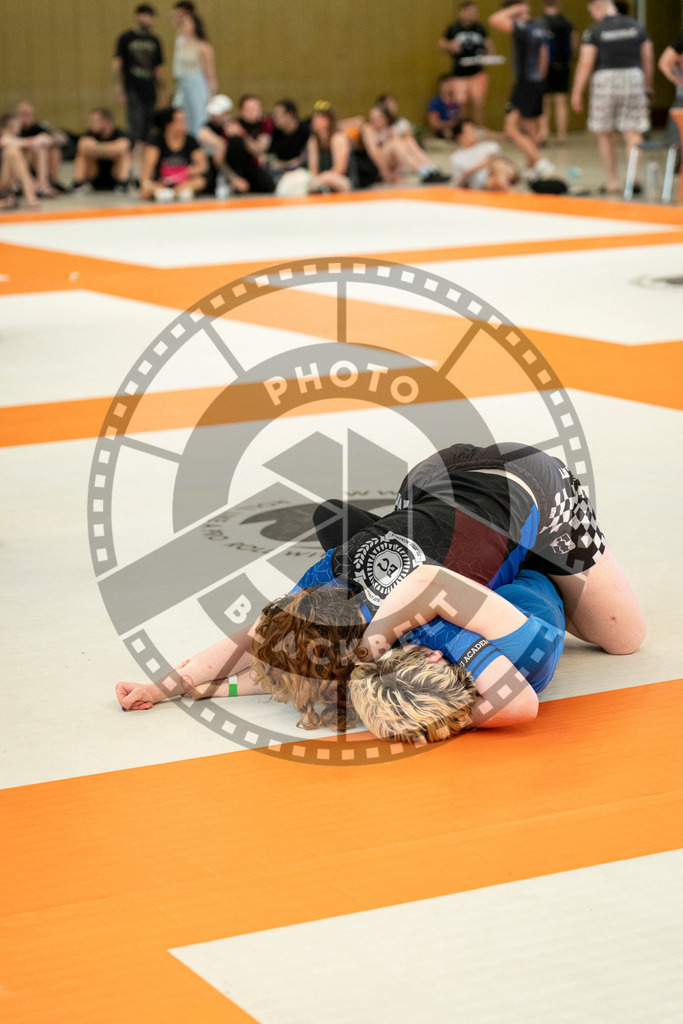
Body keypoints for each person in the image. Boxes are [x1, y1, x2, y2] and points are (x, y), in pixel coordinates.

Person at [116, 442, 645, 741]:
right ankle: (373, 527)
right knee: (447, 564)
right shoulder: (318, 592)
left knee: (623, 639)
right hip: (429, 482)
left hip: (533, 486)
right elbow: (256, 641)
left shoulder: (416, 619)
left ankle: (534, 559)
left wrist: (392, 657)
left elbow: (510, 697)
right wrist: (172, 684)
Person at [570, 0, 653, 195]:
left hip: (605, 79)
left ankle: (613, 181)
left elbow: (586, 62)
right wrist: (647, 86)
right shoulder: (636, 26)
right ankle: (634, 179)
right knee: (633, 131)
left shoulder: (594, 30)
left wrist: (576, 91)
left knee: (605, 132)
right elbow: (647, 58)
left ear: (597, 6)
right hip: (633, 77)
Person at [489, 2, 554, 181]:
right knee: (530, 127)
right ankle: (531, 165)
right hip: (536, 82)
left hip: (525, 82)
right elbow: (544, 55)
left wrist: (515, 9)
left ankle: (540, 162)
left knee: (510, 128)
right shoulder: (538, 27)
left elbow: (494, 20)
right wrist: (540, 81)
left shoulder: (521, 26)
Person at [113, 3, 166, 184]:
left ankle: (143, 171)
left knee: (146, 133)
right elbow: (117, 64)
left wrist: (164, 92)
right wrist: (119, 89)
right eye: (144, 15)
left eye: (150, 16)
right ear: (137, 16)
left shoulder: (155, 41)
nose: (147, 19)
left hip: (149, 91)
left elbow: (158, 69)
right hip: (133, 90)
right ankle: (130, 171)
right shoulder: (126, 38)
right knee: (134, 132)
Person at [358, 104, 450, 187]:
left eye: (379, 117)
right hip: (376, 163)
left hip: (390, 160)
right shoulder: (368, 129)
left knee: (408, 141)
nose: (375, 120)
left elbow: (399, 152)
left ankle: (430, 168)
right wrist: (386, 175)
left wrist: (397, 172)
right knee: (394, 143)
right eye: (373, 118)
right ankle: (422, 171)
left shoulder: (391, 128)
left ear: (385, 118)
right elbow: (374, 155)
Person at [199, 95, 276, 194]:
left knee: (267, 184)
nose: (215, 117)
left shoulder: (263, 123)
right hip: (230, 171)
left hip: (251, 167)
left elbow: (259, 149)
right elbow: (218, 159)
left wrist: (241, 133)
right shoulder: (215, 128)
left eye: (255, 108)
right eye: (248, 109)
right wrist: (234, 178)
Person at [438, 2, 495, 124]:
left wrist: (489, 55)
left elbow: (488, 44)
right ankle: (465, 130)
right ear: (462, 12)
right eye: (469, 11)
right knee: (462, 105)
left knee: (479, 103)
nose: (472, 15)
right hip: (459, 73)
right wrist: (450, 45)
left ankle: (480, 130)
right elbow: (441, 43)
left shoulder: (480, 27)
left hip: (477, 72)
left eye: (474, 12)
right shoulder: (453, 28)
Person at [139, 106, 207, 200]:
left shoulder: (190, 140)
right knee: (146, 188)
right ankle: (167, 193)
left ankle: (177, 192)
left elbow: (203, 165)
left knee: (201, 181)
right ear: (169, 124)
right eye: (180, 121)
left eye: (184, 121)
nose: (184, 124)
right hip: (161, 183)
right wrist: (150, 185)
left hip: (184, 182)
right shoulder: (156, 142)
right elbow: (146, 173)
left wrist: (184, 173)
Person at [172, 8, 216, 138]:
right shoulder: (180, 42)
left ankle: (199, 147)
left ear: (195, 25)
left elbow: (210, 73)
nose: (182, 26)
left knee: (198, 118)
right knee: (181, 116)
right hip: (183, 85)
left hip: (197, 85)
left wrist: (211, 94)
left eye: (186, 23)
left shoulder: (203, 46)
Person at [539, 1, 577, 144]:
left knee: (544, 102)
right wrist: (569, 58)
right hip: (562, 64)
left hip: (544, 66)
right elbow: (574, 41)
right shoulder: (566, 22)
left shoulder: (539, 22)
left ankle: (544, 134)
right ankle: (562, 136)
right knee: (561, 100)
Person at [72, 108, 131, 194]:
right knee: (82, 154)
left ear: (106, 122)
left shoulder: (118, 133)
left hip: (113, 175)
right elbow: (82, 144)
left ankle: (122, 184)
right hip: (94, 174)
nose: (91, 124)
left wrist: (96, 148)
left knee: (124, 155)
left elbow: (122, 147)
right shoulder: (90, 133)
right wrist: (110, 150)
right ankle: (78, 183)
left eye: (95, 121)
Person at [450, 118, 520, 190]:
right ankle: (502, 185)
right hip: (482, 183)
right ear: (460, 136)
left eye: (474, 129)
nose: (474, 133)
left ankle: (501, 183)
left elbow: (493, 159)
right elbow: (459, 181)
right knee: (492, 179)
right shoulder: (457, 157)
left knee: (498, 165)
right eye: (470, 131)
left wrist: (468, 171)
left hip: (503, 171)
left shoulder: (489, 145)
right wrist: (465, 176)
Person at [15, 101, 67, 195]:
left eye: (30, 113)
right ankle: (42, 186)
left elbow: (61, 138)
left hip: (36, 163)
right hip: (21, 164)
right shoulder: (14, 129)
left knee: (53, 149)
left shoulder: (37, 128)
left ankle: (52, 182)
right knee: (37, 148)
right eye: (24, 114)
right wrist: (31, 142)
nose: (28, 116)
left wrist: (48, 139)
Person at [306, 102, 356, 192]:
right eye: (314, 117)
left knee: (330, 180)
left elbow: (339, 170)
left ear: (328, 120)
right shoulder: (313, 141)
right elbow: (313, 169)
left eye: (319, 117)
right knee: (309, 183)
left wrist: (323, 178)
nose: (315, 120)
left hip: (342, 179)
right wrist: (317, 179)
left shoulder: (338, 138)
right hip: (322, 179)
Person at [0, 112, 40, 210]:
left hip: (8, 180)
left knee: (14, 151)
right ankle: (29, 192)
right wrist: (29, 142)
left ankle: (33, 187)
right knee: (12, 151)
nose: (21, 125)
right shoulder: (4, 137)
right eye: (18, 123)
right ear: (11, 124)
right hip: (3, 180)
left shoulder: (14, 140)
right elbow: (5, 141)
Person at [269, 99, 311, 171]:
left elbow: (305, 157)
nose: (274, 118)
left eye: (277, 115)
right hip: (278, 170)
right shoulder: (274, 131)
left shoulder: (306, 131)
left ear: (289, 115)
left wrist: (285, 164)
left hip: (300, 170)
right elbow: (271, 156)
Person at [427, 75, 462, 140]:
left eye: (451, 83)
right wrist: (448, 124)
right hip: (443, 131)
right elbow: (434, 123)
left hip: (458, 131)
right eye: (446, 84)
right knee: (447, 133)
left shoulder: (457, 101)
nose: (449, 86)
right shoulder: (436, 102)